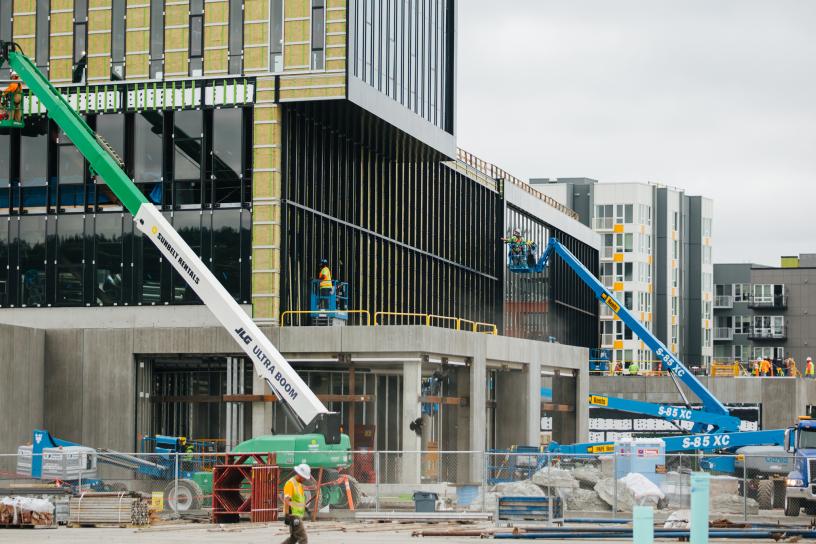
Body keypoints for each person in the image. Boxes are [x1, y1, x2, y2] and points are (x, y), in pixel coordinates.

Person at [282, 463, 311, 544]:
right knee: (303, 538)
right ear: (300, 474)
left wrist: (305, 508)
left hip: (297, 515)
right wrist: (287, 515)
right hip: (294, 515)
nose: (305, 479)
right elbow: (287, 500)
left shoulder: (299, 485)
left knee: (294, 538)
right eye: (304, 477)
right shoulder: (290, 483)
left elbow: (298, 500)